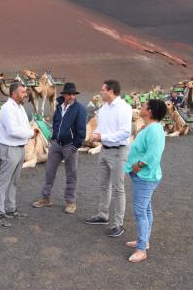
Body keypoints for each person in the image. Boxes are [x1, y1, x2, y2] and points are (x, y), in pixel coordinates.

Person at [84, 80, 132, 238]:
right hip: (104, 150)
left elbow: (125, 132)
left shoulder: (125, 108)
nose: (100, 93)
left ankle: (118, 223)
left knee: (118, 188)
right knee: (104, 185)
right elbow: (100, 127)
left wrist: (102, 136)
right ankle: (103, 215)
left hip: (119, 152)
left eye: (102, 90)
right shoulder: (103, 109)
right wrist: (95, 135)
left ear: (111, 91)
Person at [32, 82, 86, 214]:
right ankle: (46, 198)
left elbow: (81, 130)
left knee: (71, 174)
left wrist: (75, 145)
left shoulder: (80, 109)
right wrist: (53, 137)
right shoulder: (59, 106)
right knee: (49, 172)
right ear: (65, 94)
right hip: (56, 144)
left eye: (73, 94)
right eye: (69, 94)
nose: (72, 96)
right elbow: (56, 123)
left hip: (70, 146)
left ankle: (71, 202)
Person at [124, 99, 167, 263]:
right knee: (146, 209)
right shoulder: (150, 128)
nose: (140, 108)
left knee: (140, 211)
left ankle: (141, 250)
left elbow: (154, 154)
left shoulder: (154, 130)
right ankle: (144, 241)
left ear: (149, 111)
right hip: (143, 176)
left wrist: (138, 165)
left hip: (145, 177)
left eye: (143, 106)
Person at [0, 82, 36, 228]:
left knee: (14, 181)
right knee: (4, 182)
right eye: (22, 92)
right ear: (13, 93)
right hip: (9, 149)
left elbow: (22, 127)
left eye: (25, 92)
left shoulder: (20, 107)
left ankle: (11, 209)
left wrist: (28, 133)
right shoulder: (7, 109)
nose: (25, 94)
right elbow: (12, 130)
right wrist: (31, 133)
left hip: (19, 148)